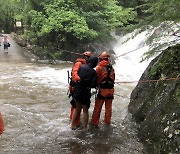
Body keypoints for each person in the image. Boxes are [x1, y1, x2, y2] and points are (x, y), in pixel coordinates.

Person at [71, 56, 98, 130]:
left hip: (78, 90)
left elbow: (76, 76)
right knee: (85, 110)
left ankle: (72, 125)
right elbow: (93, 85)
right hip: (85, 92)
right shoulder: (93, 72)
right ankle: (85, 127)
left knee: (77, 108)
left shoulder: (81, 67)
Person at [69, 51, 93, 127]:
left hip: (78, 87)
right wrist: (79, 81)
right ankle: (75, 123)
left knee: (76, 106)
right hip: (75, 86)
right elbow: (74, 74)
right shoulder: (79, 63)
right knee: (75, 106)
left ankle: (74, 121)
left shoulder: (84, 64)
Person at [91, 51, 115, 127]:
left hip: (102, 90)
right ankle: (107, 122)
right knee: (108, 108)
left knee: (98, 107)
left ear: (100, 59)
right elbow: (113, 78)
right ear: (107, 59)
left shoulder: (99, 67)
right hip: (111, 90)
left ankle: (94, 123)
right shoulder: (112, 68)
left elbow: (95, 79)